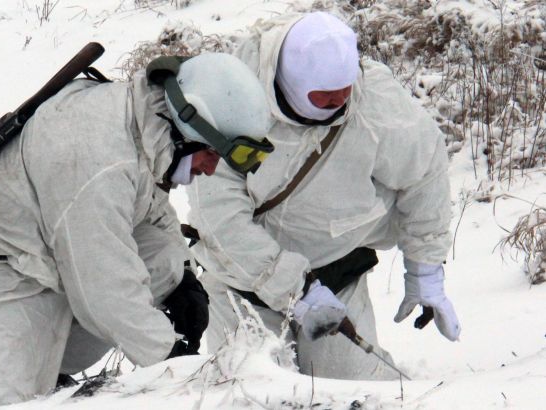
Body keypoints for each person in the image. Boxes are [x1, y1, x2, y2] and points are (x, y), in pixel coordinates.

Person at [0, 52, 274, 409]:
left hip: (31, 266)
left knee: (158, 263)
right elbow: (105, 288)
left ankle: (40, 376)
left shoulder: (138, 125)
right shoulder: (98, 159)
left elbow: (149, 215)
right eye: (210, 154)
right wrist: (176, 366)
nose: (210, 169)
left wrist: (182, 281)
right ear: (184, 128)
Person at [186, 11, 461, 381]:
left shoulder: (373, 101)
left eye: (344, 90)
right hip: (242, 281)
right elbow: (219, 220)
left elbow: (423, 172)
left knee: (356, 389)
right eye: (324, 96)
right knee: (252, 391)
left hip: (337, 269)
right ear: (291, 83)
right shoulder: (230, 101)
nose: (339, 101)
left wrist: (425, 269)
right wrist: (296, 290)